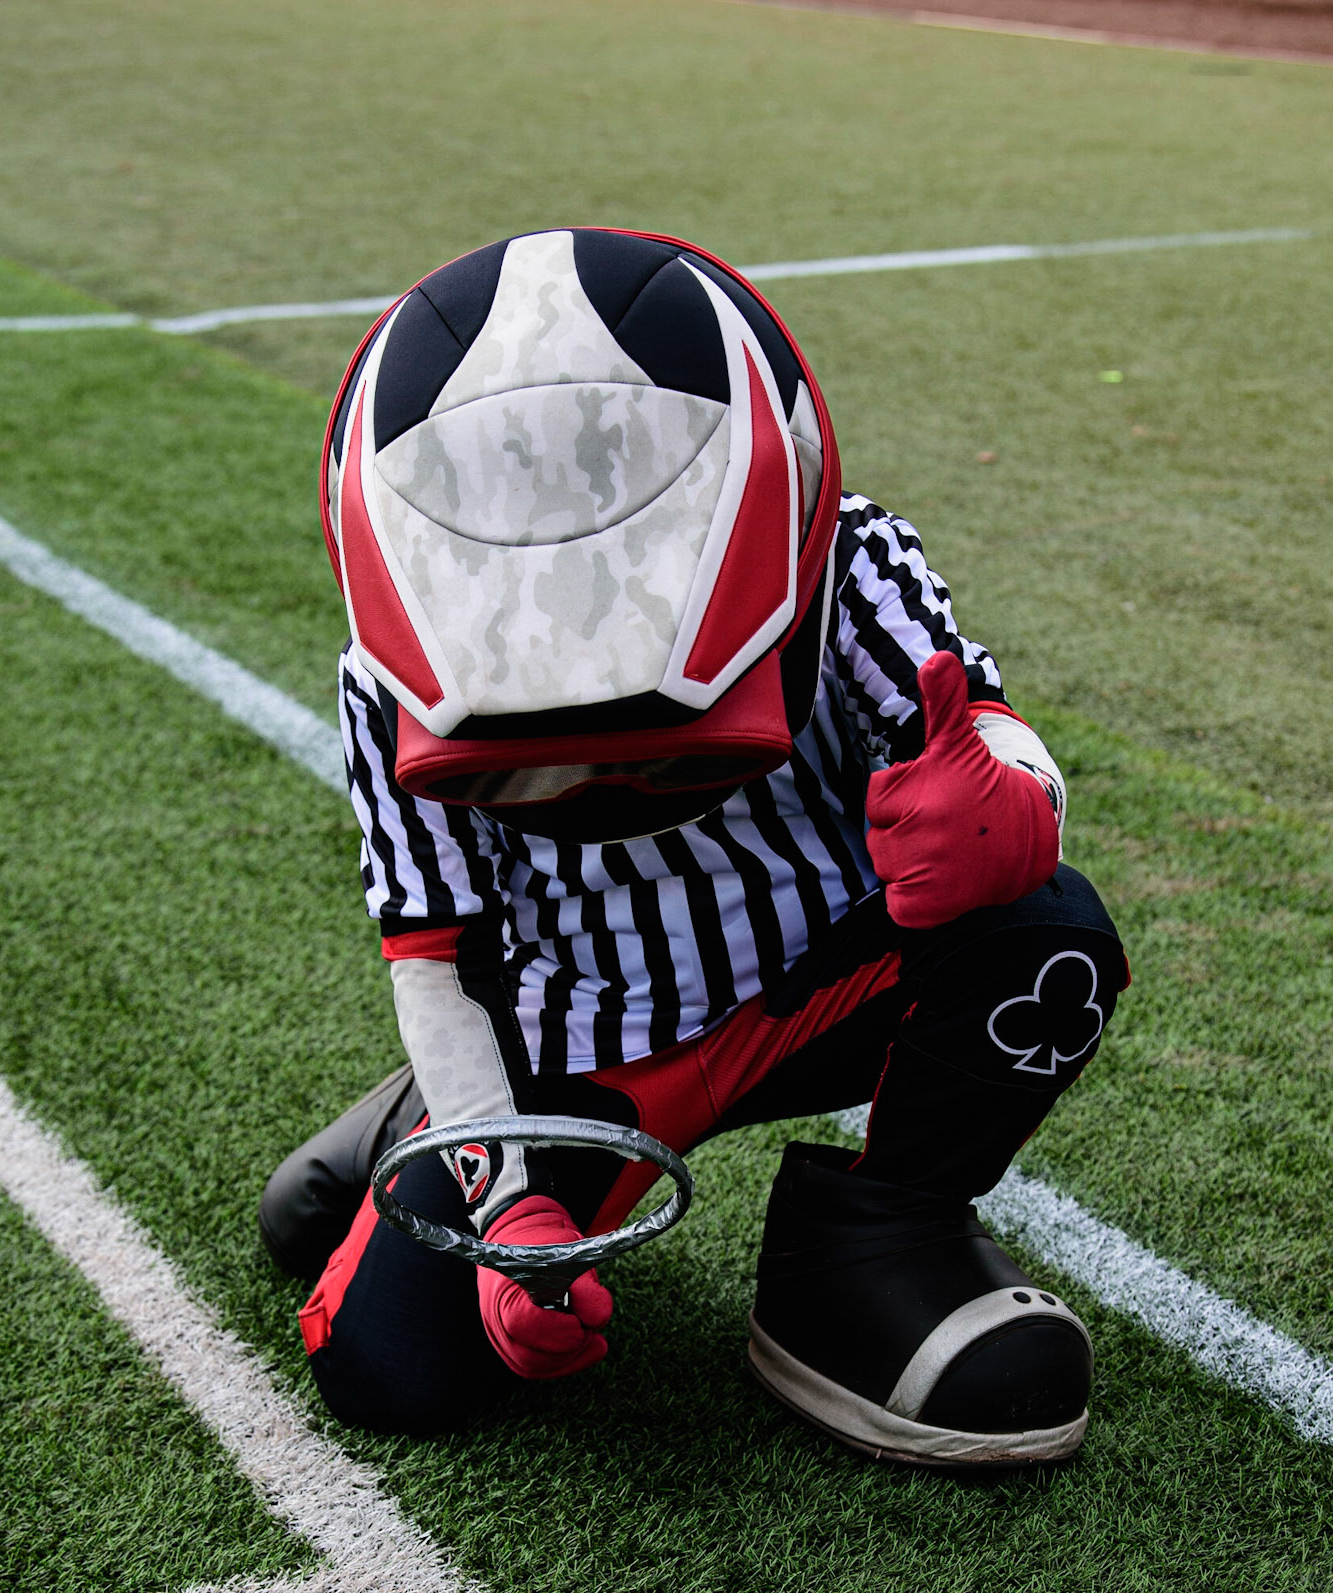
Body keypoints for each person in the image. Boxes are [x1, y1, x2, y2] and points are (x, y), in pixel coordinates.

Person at [260, 227, 1127, 1468]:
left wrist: (1005, 795)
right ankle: (438, 1116)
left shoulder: (853, 563)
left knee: (1045, 936)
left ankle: (881, 1232)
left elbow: (982, 726)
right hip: (587, 1026)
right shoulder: (382, 680)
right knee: (393, 1370)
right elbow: (433, 949)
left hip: (830, 980)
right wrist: (508, 1193)